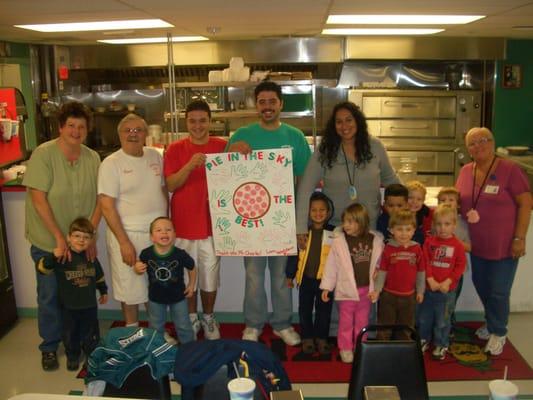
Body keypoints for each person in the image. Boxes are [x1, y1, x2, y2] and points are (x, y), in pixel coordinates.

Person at [227, 80, 311, 344]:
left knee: (280, 277)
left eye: (272, 102)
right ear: (256, 105)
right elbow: (224, 173)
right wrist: (232, 152)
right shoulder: (242, 134)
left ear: (280, 104)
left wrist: (300, 221)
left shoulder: (294, 137)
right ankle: (253, 324)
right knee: (253, 276)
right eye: (262, 102)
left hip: (282, 220)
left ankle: (282, 324)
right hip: (250, 221)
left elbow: (304, 182)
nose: (267, 107)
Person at [23, 101, 101, 371]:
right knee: (49, 295)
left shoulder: (92, 158)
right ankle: (49, 346)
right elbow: (38, 198)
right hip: (49, 242)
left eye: (81, 126)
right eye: (71, 125)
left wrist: (90, 238)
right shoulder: (44, 155)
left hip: (80, 245)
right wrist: (59, 238)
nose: (76, 131)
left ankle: (80, 342)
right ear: (60, 127)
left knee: (79, 297)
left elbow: (100, 201)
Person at [456, 127, 531, 355]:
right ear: (468, 150)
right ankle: (490, 323)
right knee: (482, 286)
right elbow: (458, 202)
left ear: (492, 142)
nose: (478, 146)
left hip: (505, 245)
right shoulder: (466, 171)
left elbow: (525, 203)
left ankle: (499, 331)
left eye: (483, 140)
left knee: (499, 291)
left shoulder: (510, 169)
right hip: (477, 245)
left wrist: (519, 238)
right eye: (472, 143)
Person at [164, 100, 227, 340]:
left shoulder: (223, 146)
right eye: (192, 121)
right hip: (183, 226)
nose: (198, 125)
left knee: (210, 277)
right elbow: (171, 185)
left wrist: (243, 148)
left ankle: (208, 317)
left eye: (203, 120)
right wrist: (189, 166)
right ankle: (191, 318)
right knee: (187, 277)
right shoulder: (175, 149)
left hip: (214, 226)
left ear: (210, 121)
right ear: (186, 122)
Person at [98, 113, 168, 327]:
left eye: (138, 130)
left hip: (156, 237)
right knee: (130, 290)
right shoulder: (111, 163)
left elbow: (163, 190)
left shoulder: (155, 156)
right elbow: (106, 206)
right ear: (119, 135)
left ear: (146, 134)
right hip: (127, 235)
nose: (133, 134)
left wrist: (166, 227)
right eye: (127, 130)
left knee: (155, 287)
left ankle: (157, 333)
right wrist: (124, 242)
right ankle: (132, 333)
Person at [296, 101, 399, 239]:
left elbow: (391, 181)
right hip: (335, 229)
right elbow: (305, 189)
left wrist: (412, 206)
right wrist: (301, 228)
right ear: (334, 126)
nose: (344, 126)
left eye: (349, 120)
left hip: (370, 228)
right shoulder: (324, 151)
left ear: (357, 121)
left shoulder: (375, 146)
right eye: (339, 122)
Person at [36, 217, 107, 371]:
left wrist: (104, 291)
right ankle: (73, 356)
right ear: (68, 237)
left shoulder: (91, 258)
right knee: (70, 334)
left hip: (89, 305)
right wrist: (53, 256)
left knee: (91, 334)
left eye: (86, 237)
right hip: (68, 307)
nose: (81, 240)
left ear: (91, 240)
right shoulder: (63, 257)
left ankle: (91, 355)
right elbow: (42, 268)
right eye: (77, 236)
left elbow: (99, 276)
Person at [320, 203, 384, 363]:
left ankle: (361, 346)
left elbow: (381, 261)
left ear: (361, 222)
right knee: (346, 321)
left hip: (366, 290)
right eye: (344, 221)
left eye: (350, 222)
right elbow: (331, 265)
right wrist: (327, 287)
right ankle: (346, 348)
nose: (345, 225)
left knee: (363, 321)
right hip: (347, 289)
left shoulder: (375, 240)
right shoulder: (339, 241)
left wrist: (377, 269)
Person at [286, 192, 336, 355]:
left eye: (322, 210)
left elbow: (339, 259)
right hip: (306, 280)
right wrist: (289, 275)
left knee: (324, 311)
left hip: (326, 282)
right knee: (304, 310)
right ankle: (307, 337)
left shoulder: (334, 234)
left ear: (328, 212)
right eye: (313, 210)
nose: (318, 213)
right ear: (307, 212)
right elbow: (294, 256)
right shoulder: (303, 233)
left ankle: (321, 338)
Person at [134, 217, 196, 345]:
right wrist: (137, 268)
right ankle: (156, 349)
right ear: (152, 237)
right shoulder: (146, 253)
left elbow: (192, 267)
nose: (164, 232)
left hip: (179, 297)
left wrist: (191, 284)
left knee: (183, 325)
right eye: (159, 230)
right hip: (155, 298)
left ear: (174, 235)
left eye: (168, 229)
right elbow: (138, 265)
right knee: (155, 327)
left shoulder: (180, 254)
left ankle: (189, 349)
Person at [418, 205, 466, 360]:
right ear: (433, 225)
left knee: (442, 320)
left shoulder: (458, 245)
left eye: (447, 224)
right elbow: (425, 262)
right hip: (429, 288)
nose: (442, 228)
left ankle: (441, 343)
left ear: (454, 225)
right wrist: (430, 279)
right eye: (439, 224)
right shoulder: (429, 242)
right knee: (424, 317)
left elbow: (460, 266)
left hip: (447, 291)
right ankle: (424, 339)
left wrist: (448, 281)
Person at [373, 210, 425, 340]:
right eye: (399, 229)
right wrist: (377, 290)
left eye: (408, 229)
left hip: (409, 296)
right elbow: (382, 271)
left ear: (414, 230)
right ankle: (382, 348)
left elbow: (421, 272)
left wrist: (420, 291)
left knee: (406, 326)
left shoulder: (417, 249)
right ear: (391, 230)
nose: (404, 233)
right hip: (388, 295)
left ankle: (403, 349)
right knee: (385, 325)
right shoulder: (388, 248)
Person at [436, 186, 471, 329]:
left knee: (451, 301)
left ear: (458, 204)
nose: (447, 202)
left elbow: (470, 247)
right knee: (438, 300)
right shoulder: (436, 223)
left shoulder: (463, 224)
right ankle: (437, 325)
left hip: (456, 272)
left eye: (451, 200)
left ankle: (449, 326)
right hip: (438, 269)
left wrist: (454, 242)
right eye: (443, 200)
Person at [406, 180, 433, 245]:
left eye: (419, 199)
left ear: (423, 201)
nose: (414, 202)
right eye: (411, 198)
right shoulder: (399, 214)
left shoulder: (427, 214)